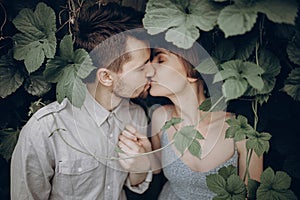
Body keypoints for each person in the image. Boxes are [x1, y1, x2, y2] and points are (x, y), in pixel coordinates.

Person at [10, 2, 155, 200]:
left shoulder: (137, 115)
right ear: (106, 77)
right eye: (141, 67)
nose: (152, 71)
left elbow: (134, 184)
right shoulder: (46, 129)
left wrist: (141, 164)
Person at [120, 37, 263, 199]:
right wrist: (144, 154)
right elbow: (158, 166)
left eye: (160, 60)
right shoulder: (161, 117)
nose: (149, 71)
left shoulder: (242, 133)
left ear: (193, 72)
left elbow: (251, 196)